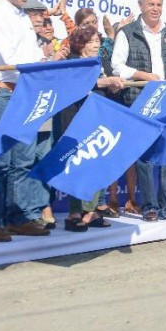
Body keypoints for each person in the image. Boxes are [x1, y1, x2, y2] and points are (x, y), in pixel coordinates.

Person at [0, 0, 65, 242]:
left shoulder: (23, 18)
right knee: (0, 161)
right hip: (1, 93)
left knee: (23, 160)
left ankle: (18, 217)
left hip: (24, 93)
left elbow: (31, 55)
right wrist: (39, 64)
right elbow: (10, 59)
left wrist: (47, 61)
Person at [110, 0, 166, 222]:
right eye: (150, 4)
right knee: (144, 157)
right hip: (140, 101)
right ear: (140, 5)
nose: (155, 9)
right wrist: (144, 75)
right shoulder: (128, 32)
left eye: (158, 4)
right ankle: (149, 207)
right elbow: (117, 67)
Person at [57, 25, 125, 232]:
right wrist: (105, 81)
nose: (96, 45)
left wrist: (112, 85)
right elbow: (82, 84)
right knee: (77, 164)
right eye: (91, 41)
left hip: (98, 117)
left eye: (98, 41)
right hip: (76, 118)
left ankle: (93, 210)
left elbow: (102, 84)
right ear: (80, 44)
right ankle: (76, 213)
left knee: (97, 162)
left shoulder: (100, 62)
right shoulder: (72, 62)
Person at [22, 0, 67, 230]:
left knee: (43, 156)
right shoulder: (23, 39)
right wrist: (49, 58)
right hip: (26, 104)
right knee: (24, 160)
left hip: (47, 106)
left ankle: (43, 206)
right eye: (36, 14)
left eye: (43, 15)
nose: (41, 19)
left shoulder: (50, 42)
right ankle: (28, 211)